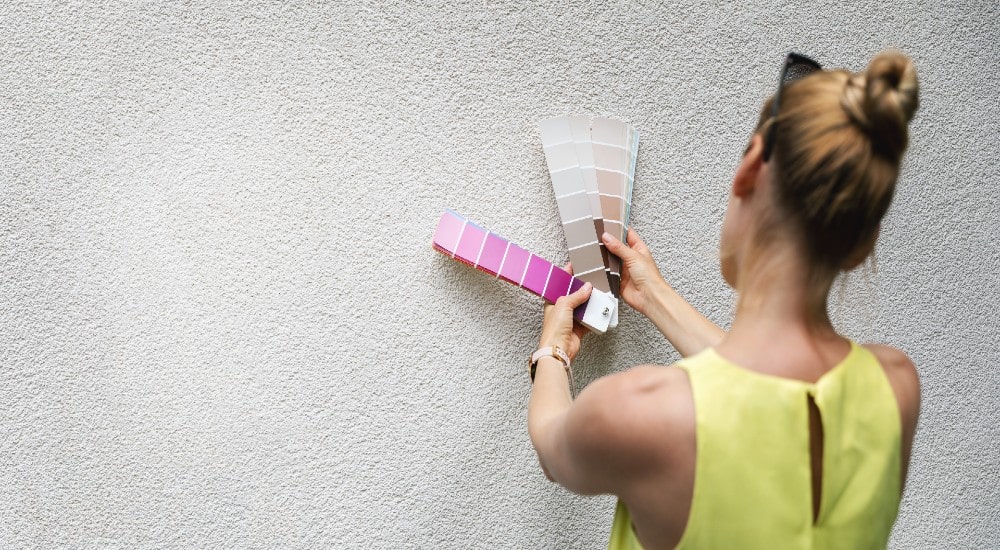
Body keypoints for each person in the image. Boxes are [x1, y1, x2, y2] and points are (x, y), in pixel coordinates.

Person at [526, 51, 921, 549]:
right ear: (865, 243)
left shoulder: (643, 413)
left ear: (751, 168)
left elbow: (552, 445)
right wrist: (656, 296)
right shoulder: (895, 388)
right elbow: (766, 399)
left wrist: (553, 352)